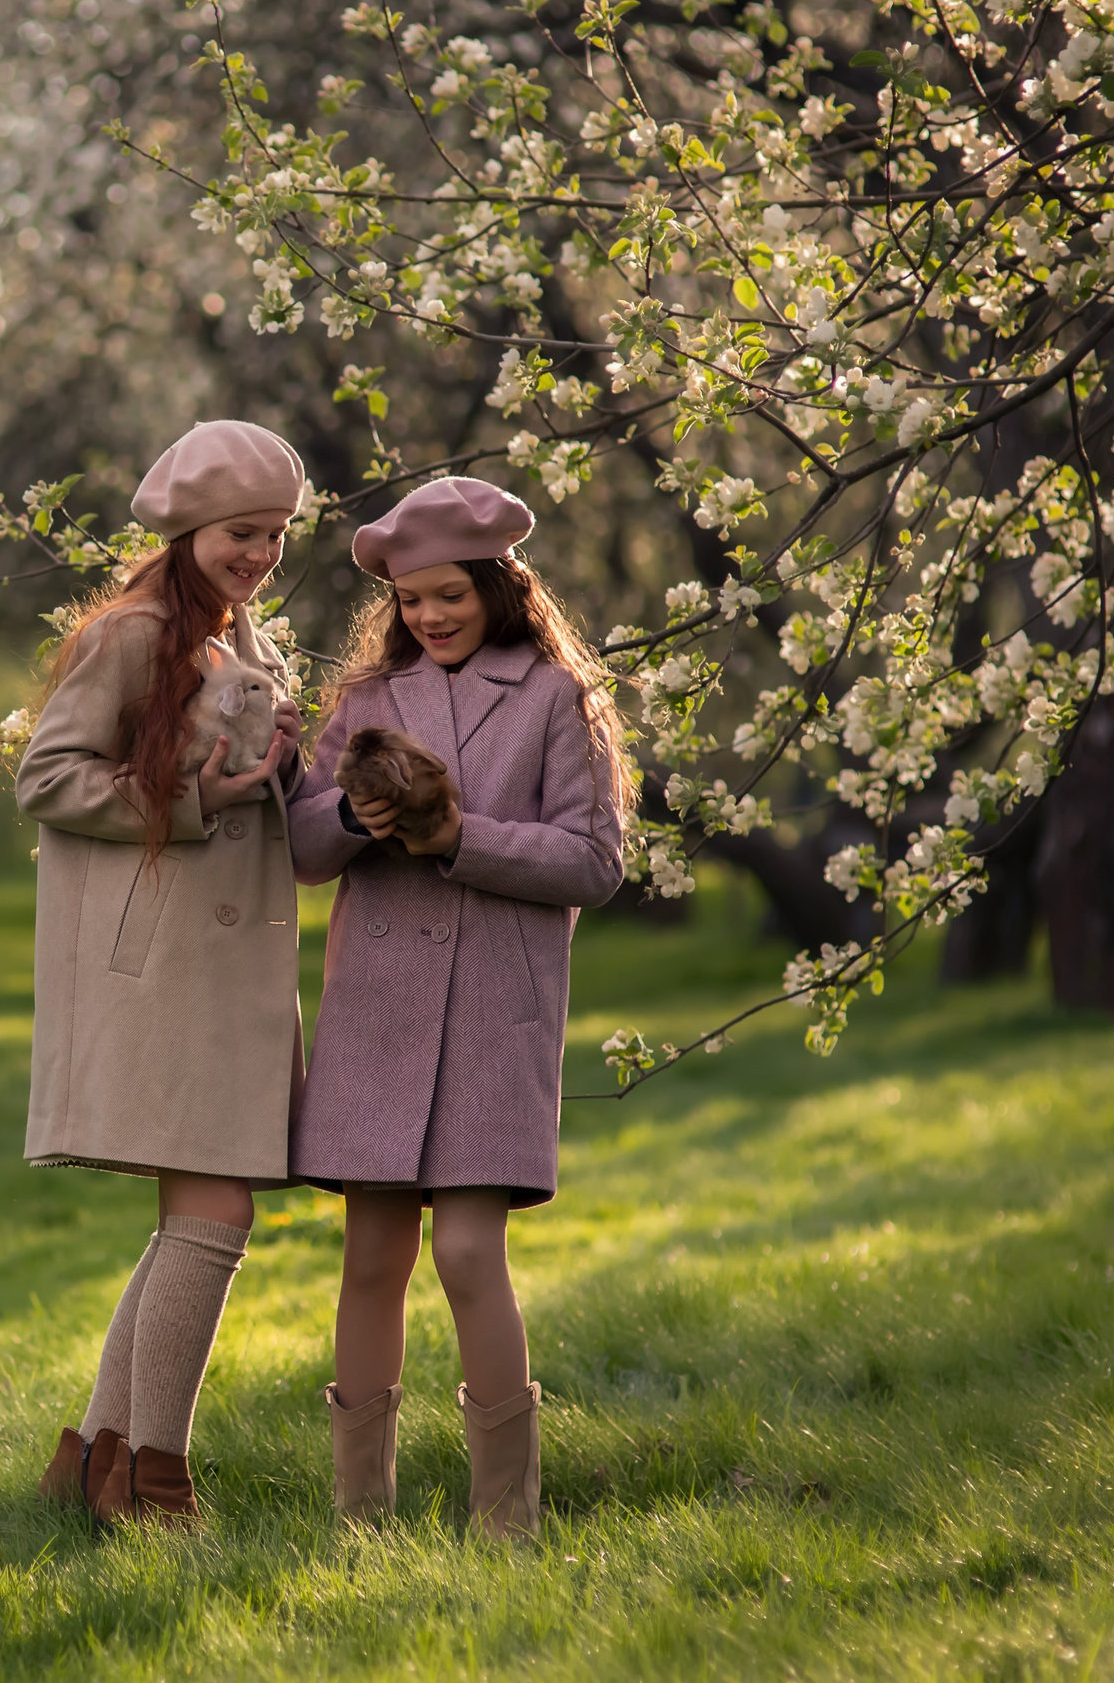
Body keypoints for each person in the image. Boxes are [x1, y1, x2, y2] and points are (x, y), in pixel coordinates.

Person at [286, 476, 628, 1536]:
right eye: (409, 601)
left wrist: (453, 838)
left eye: (448, 595)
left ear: (496, 585)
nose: (428, 616)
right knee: (371, 1258)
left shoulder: (553, 698)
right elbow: (298, 849)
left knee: (470, 1253)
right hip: (376, 1012)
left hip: (493, 1009)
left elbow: (593, 860)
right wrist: (352, 810)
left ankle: (507, 1515)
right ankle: (360, 1515)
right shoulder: (365, 697)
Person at [15, 419, 309, 1526]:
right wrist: (196, 802)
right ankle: (154, 1482)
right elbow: (47, 775)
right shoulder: (133, 633)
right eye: (242, 533)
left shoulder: (246, 643)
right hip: (162, 965)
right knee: (215, 1212)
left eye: (276, 536)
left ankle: (93, 1459)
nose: (259, 555)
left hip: (228, 963)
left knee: (195, 1215)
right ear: (188, 527)